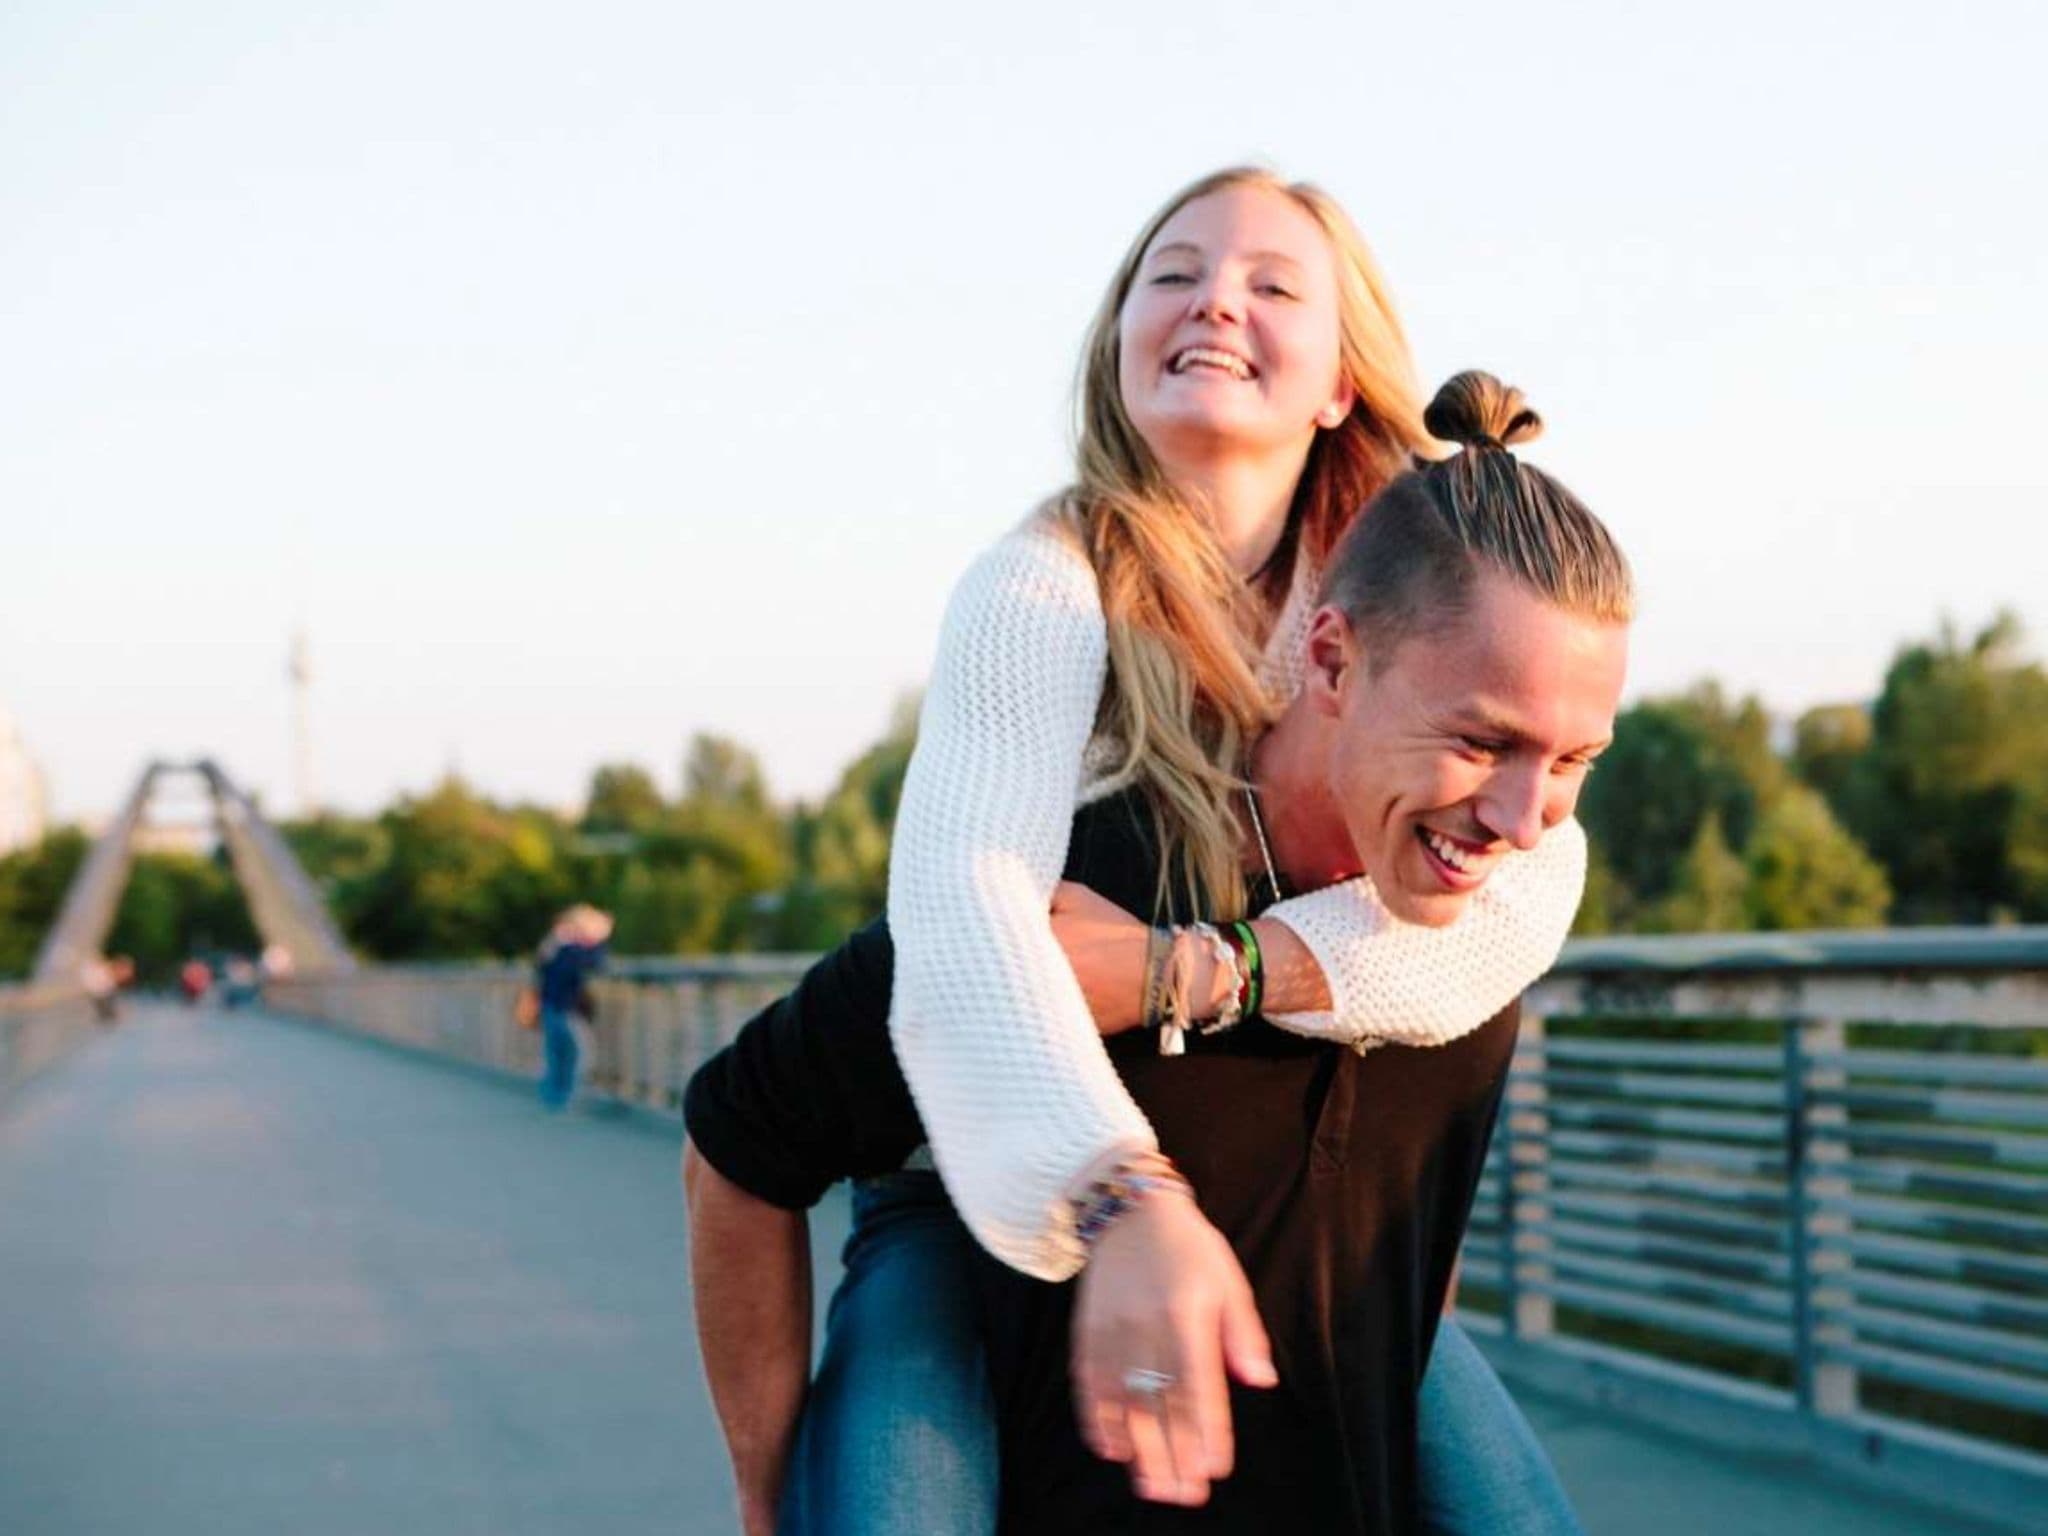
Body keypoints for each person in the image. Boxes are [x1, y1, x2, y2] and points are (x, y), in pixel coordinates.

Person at [713, 169, 1583, 1531]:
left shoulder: (1401, 591)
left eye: (1271, 283)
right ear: (1118, 346)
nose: (1212, 302)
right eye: (1169, 275)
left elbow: (1527, 890)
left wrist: (1207, 972)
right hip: (967, 1168)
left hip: (1259, 1190)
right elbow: (971, 918)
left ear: (1343, 381)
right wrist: (1120, 1194)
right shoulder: (1044, 581)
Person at [533, 903, 612, 1110]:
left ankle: (556, 1098)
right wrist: (599, 941)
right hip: (563, 1008)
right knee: (578, 1053)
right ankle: (569, 1098)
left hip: (552, 1006)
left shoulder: (552, 946)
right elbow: (595, 964)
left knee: (558, 1053)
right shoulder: (568, 948)